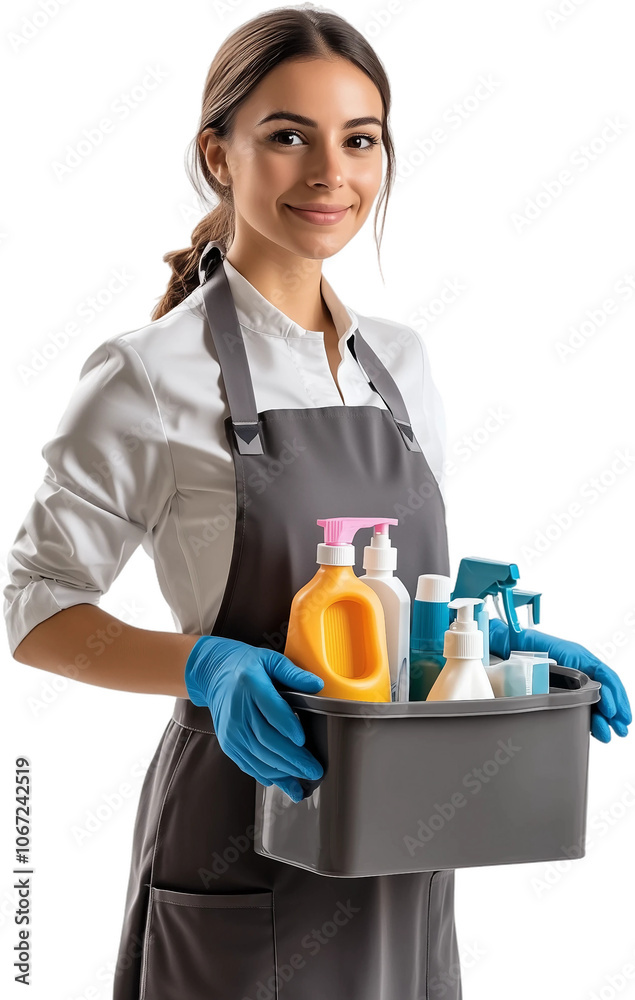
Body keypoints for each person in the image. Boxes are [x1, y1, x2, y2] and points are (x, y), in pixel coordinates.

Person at [4, 6, 630, 1000]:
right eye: (287, 134)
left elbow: (398, 609)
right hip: (241, 842)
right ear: (219, 153)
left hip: (407, 842)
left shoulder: (401, 367)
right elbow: (34, 611)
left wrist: (496, 659)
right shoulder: (149, 373)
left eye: (359, 139)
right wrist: (201, 667)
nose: (328, 171)